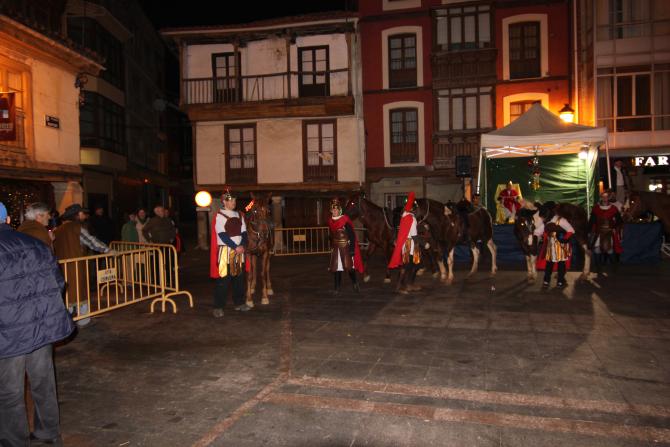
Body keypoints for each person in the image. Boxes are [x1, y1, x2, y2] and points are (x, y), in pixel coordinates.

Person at [0, 201, 74, 447]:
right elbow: (58, 283)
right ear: (8, 220)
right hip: (41, 327)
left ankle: (14, 440)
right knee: (43, 382)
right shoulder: (35, 244)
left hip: (9, 332)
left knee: (9, 391)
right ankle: (49, 432)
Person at [209, 190, 250, 317]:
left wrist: (241, 245)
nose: (234, 203)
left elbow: (244, 232)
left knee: (239, 280)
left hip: (239, 251)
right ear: (224, 202)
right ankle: (218, 307)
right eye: (231, 200)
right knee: (223, 280)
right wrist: (235, 246)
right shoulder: (219, 215)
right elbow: (222, 234)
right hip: (225, 252)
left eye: (235, 200)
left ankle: (239, 303)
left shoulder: (239, 215)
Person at [327, 198, 364, 294]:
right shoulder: (330, 221)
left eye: (336, 210)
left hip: (346, 247)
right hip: (336, 248)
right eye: (333, 210)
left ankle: (355, 283)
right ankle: (337, 288)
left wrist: (352, 250)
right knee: (337, 268)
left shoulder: (344, 220)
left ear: (339, 210)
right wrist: (332, 243)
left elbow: (351, 235)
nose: (334, 211)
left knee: (349, 267)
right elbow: (332, 235)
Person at [388, 192, 421, 294]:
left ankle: (409, 284)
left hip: (407, 243)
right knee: (406, 266)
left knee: (415, 265)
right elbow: (414, 235)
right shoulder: (412, 218)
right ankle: (399, 287)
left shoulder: (404, 216)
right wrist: (423, 244)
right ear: (414, 209)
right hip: (409, 244)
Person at [537, 213, 574, 289]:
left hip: (555, 246)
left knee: (550, 265)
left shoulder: (558, 220)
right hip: (557, 246)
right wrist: (564, 239)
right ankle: (558, 282)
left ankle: (547, 282)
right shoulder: (557, 220)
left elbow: (571, 231)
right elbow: (571, 231)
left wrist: (564, 239)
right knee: (559, 264)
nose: (542, 219)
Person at [589, 191, 623, 265]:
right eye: (603, 197)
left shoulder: (613, 208)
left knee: (609, 249)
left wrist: (613, 227)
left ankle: (614, 266)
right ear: (601, 198)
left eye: (606, 197)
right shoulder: (596, 208)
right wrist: (589, 231)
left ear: (608, 198)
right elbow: (591, 221)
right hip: (598, 232)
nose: (605, 198)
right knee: (597, 249)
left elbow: (619, 220)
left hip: (609, 232)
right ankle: (598, 268)